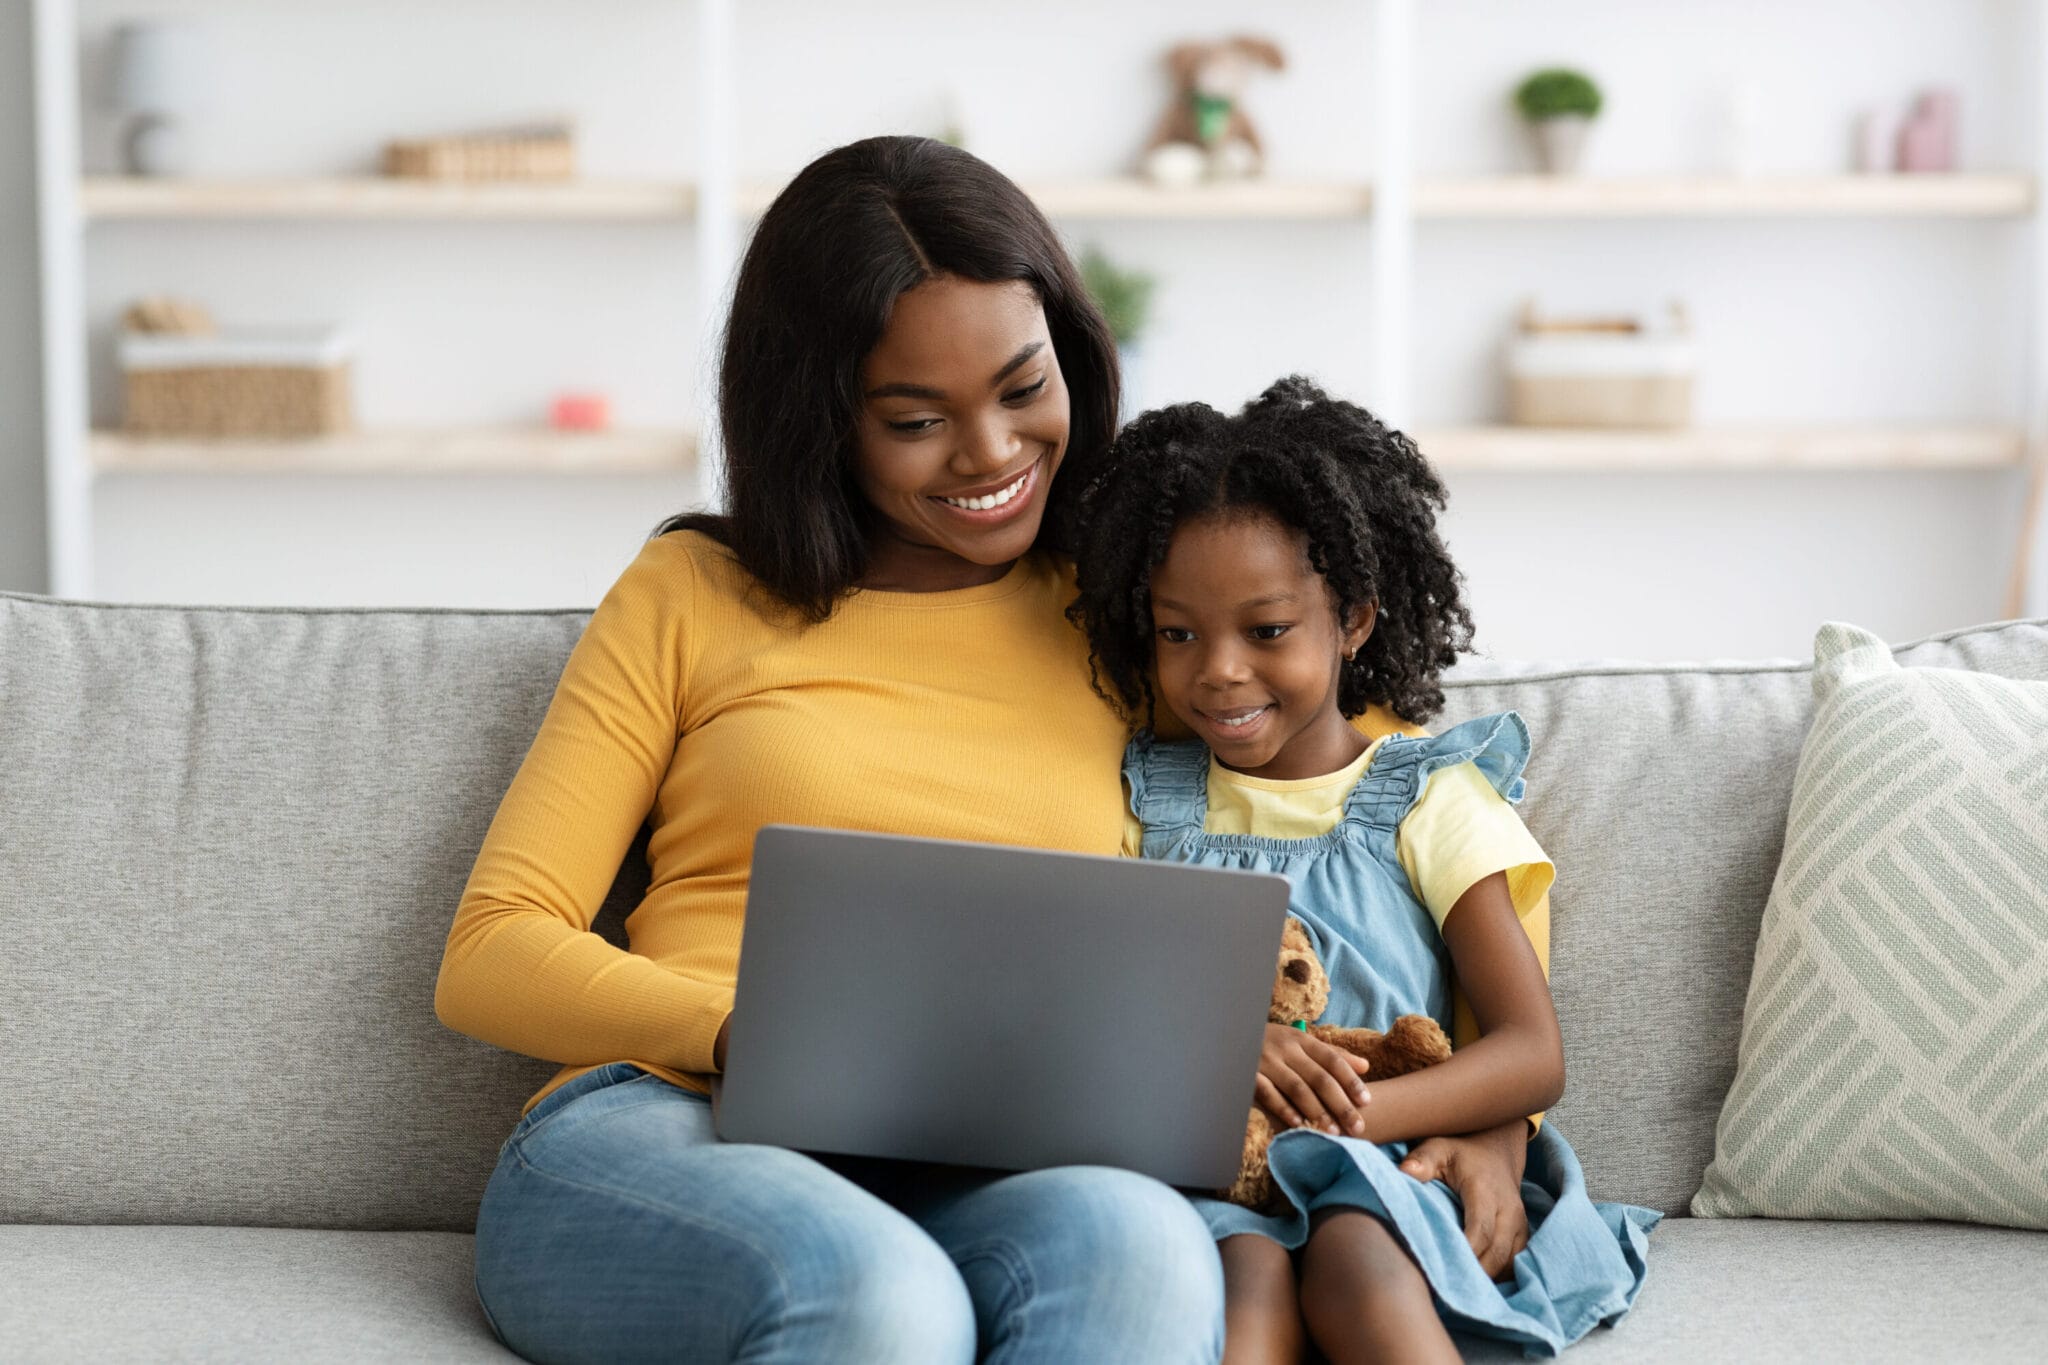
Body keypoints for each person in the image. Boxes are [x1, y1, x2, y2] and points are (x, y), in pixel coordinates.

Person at [433, 135, 1534, 1364]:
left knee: (1145, 1252)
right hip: (674, 1127)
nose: (991, 456)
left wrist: (1498, 1131)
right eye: (916, 420)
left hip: (1009, 1155)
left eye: (1022, 389)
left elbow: (1407, 804)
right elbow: (491, 951)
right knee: (880, 1292)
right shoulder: (693, 591)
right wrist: (763, 1032)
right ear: (821, 418)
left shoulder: (1140, 605)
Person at [1066, 377, 1661, 1364]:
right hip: (1213, 1172)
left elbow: (1526, 1052)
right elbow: (1107, 1004)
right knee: (1242, 1287)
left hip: (1386, 1166)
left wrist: (1341, 1123)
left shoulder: (1426, 800)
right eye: (1178, 633)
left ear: (1351, 620)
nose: (1216, 669)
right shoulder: (1145, 800)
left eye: (1265, 631)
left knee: (1353, 1261)